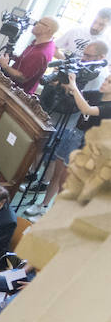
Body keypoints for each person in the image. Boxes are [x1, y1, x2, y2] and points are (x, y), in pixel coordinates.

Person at [39, 70, 111, 215]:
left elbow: (87, 109)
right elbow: (76, 94)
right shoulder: (97, 94)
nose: (104, 83)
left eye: (109, 82)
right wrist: (62, 82)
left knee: (67, 183)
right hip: (74, 134)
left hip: (87, 143)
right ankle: (44, 205)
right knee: (57, 175)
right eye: (106, 80)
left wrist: (73, 84)